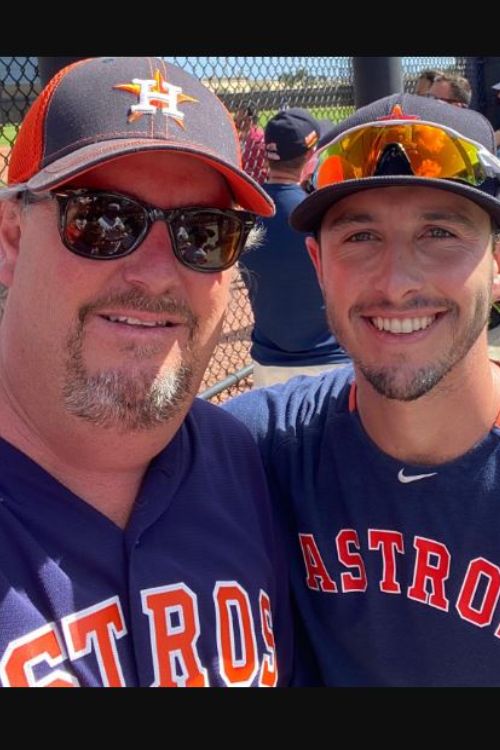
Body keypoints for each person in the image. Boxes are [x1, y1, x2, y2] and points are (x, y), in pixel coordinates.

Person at [0, 56, 293, 687]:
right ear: (12, 238)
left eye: (205, 233)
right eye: (103, 220)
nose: (159, 272)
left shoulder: (238, 459)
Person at [224, 93, 500, 686]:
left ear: (497, 262)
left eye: (440, 231)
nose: (397, 282)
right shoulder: (256, 448)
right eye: (361, 238)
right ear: (318, 265)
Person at [241, 108, 350, 387]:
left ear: (267, 154)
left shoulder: (249, 212)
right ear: (311, 156)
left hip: (268, 362)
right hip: (330, 360)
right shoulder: (319, 212)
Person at [234, 101, 268, 184]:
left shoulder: (258, 140)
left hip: (256, 184)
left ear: (248, 120)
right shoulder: (242, 137)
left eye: (239, 114)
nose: (235, 117)